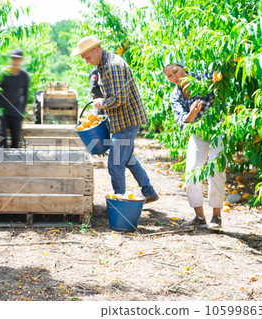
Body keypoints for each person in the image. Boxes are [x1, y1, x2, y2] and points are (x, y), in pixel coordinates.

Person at [71, 36, 158, 204]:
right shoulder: (103, 66)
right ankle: (148, 191)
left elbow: (119, 99)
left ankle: (120, 204)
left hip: (127, 120)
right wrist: (99, 109)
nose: (87, 62)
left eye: (87, 57)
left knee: (115, 163)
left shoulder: (112, 66)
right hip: (121, 120)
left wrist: (102, 103)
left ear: (97, 49)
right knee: (127, 157)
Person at [163, 61, 226, 230]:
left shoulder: (203, 77)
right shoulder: (175, 96)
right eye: (169, 76)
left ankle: (216, 216)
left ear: (184, 67)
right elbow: (183, 123)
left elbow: (220, 76)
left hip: (217, 129)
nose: (174, 77)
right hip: (198, 132)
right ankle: (199, 216)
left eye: (176, 71)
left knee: (216, 170)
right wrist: (192, 114)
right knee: (191, 170)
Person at [0, 49, 29, 148]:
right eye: (14, 59)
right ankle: (3, 160)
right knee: (2, 136)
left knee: (15, 139)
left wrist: (22, 111)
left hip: (16, 111)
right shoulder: (3, 74)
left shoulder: (24, 76)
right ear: (11, 59)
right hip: (2, 110)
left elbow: (25, 95)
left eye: (18, 59)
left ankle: (14, 161)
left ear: (21, 61)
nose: (16, 61)